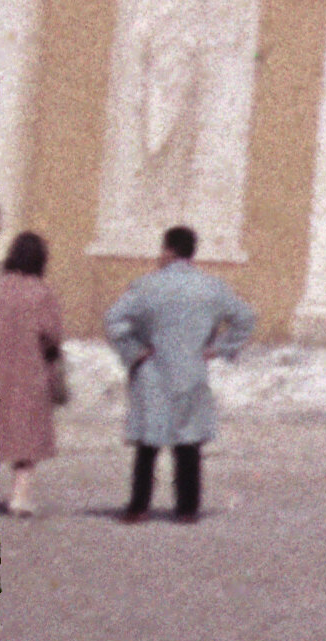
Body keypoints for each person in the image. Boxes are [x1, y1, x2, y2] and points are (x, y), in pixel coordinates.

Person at [107, 224, 257, 523]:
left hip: (152, 369)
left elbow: (114, 320)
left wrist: (134, 349)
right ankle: (187, 508)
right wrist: (219, 348)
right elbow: (245, 318)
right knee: (188, 441)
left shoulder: (146, 285)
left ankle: (139, 506)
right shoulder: (212, 287)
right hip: (191, 369)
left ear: (168, 250)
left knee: (148, 443)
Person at [0, 231, 64, 516]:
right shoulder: (41, 292)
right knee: (26, 437)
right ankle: (20, 496)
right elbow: (52, 335)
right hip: (28, 372)